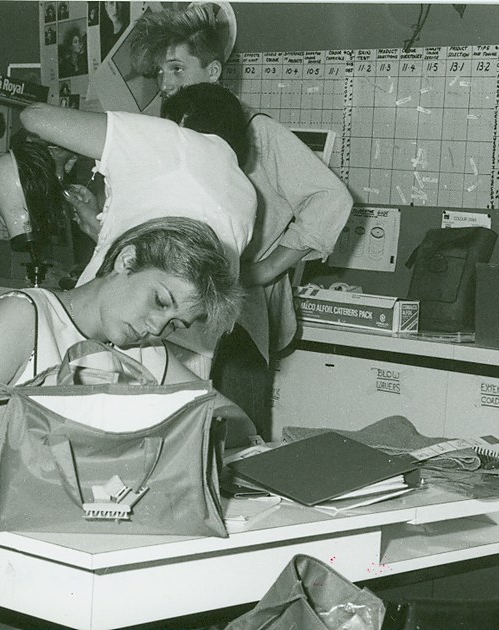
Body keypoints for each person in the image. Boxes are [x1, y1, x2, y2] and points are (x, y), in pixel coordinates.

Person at [130, 2, 353, 439]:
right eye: (160, 73)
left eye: (176, 69)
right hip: (171, 319)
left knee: (233, 444)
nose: (166, 84)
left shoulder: (257, 132)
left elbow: (331, 198)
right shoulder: (174, 137)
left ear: (213, 72)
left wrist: (266, 269)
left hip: (235, 326)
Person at [0, 216, 246, 446]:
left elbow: (236, 420)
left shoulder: (146, 354)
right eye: (159, 300)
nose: (157, 327)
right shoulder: (26, 316)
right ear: (127, 261)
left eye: (174, 324)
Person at [19, 87, 256, 380]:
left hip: (126, 337)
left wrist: (70, 147)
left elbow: (36, 117)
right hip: (185, 353)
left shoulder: (175, 141)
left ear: (178, 120)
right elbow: (179, 258)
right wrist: (100, 228)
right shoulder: (246, 194)